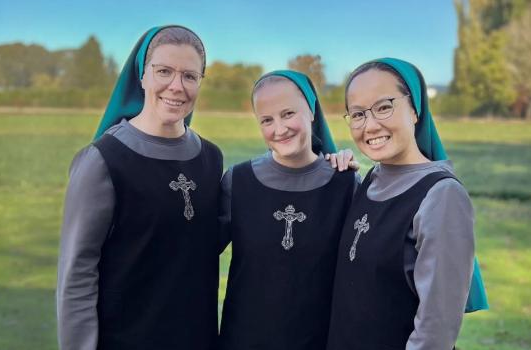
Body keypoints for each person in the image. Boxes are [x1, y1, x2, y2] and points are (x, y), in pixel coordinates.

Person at [56, 25, 222, 350]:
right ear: (142, 75)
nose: (177, 86)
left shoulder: (211, 158)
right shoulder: (103, 160)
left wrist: (323, 165)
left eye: (190, 76)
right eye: (164, 72)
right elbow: (76, 275)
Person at [326, 58, 488, 350]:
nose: (370, 125)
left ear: (415, 109)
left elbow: (435, 330)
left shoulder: (441, 195)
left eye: (384, 107)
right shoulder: (370, 180)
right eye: (358, 114)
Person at [218, 70, 357, 350]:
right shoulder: (238, 181)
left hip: (319, 339)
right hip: (245, 339)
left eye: (288, 113)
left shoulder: (345, 183)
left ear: (312, 111)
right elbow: (194, 254)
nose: (279, 129)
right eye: (267, 120)